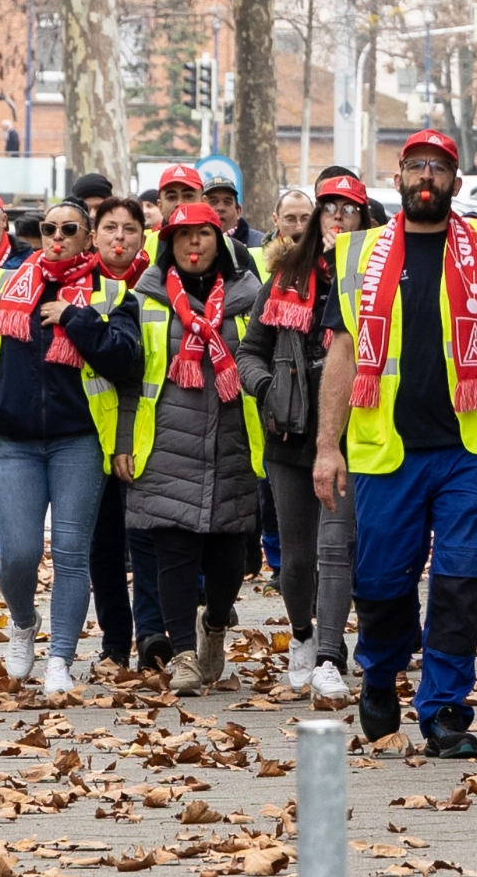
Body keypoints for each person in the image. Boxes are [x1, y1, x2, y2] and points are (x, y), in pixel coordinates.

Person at [313, 132, 477, 757]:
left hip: (470, 449)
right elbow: (344, 353)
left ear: (457, 184)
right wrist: (328, 447)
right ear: (399, 178)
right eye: (415, 166)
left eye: (438, 167)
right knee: (381, 584)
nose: (425, 176)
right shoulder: (357, 255)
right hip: (385, 451)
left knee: (460, 581)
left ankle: (444, 710)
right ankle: (379, 674)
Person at [0, 199, 140, 692]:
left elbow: (125, 360)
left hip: (78, 440)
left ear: (87, 238)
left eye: (69, 229)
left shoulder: (111, 291)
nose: (57, 236)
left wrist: (75, 318)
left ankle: (60, 657)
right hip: (13, 438)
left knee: (70, 553)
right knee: (15, 554)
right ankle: (22, 623)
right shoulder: (2, 283)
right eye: (48, 228)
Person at [118, 203, 263, 696]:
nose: (193, 245)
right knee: (173, 559)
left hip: (233, 445)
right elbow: (129, 380)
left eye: (202, 235)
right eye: (183, 237)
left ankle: (214, 627)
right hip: (165, 446)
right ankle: (182, 655)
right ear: (169, 246)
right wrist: (122, 443)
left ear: (219, 242)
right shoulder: (146, 301)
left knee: (229, 563)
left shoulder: (250, 298)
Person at [238, 174, 367, 698]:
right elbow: (249, 352)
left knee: (337, 548)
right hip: (289, 435)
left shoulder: (377, 277)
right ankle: (303, 635)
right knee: (296, 558)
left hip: (355, 434)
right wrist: (269, 390)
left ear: (365, 218)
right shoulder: (284, 278)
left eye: (350, 208)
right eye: (328, 207)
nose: (338, 215)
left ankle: (332, 657)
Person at [86, 196, 165, 671]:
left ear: (143, 235)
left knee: (150, 539)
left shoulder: (157, 284)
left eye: (129, 229)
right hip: (91, 433)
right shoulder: (77, 284)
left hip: (147, 430)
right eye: (110, 228)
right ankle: (115, 641)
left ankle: (154, 634)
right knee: (104, 544)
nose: (120, 238)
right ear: (94, 235)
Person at [151, 164, 260, 278]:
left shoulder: (235, 251)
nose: (180, 203)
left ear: (204, 202)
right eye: (171, 197)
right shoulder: (143, 247)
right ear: (160, 206)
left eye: (188, 196)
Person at [204, 177, 265, 249]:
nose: (220, 208)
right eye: (213, 202)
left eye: (227, 202)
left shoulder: (261, 243)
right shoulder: (191, 242)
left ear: (238, 210)